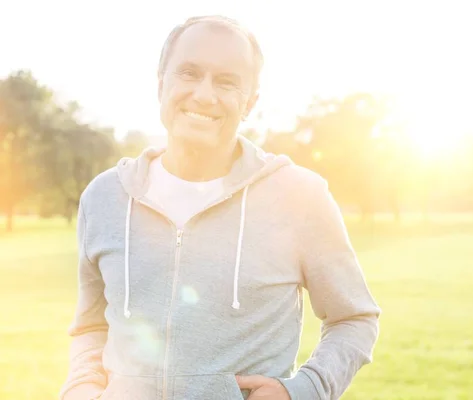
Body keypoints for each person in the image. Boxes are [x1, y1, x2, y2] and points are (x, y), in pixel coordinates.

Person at [59, 15, 380, 400]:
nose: (205, 95)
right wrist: (81, 388)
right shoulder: (104, 197)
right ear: (161, 84)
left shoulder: (300, 196)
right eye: (189, 73)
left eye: (226, 81)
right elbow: (91, 326)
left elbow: (354, 319)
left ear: (250, 102)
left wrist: (304, 390)